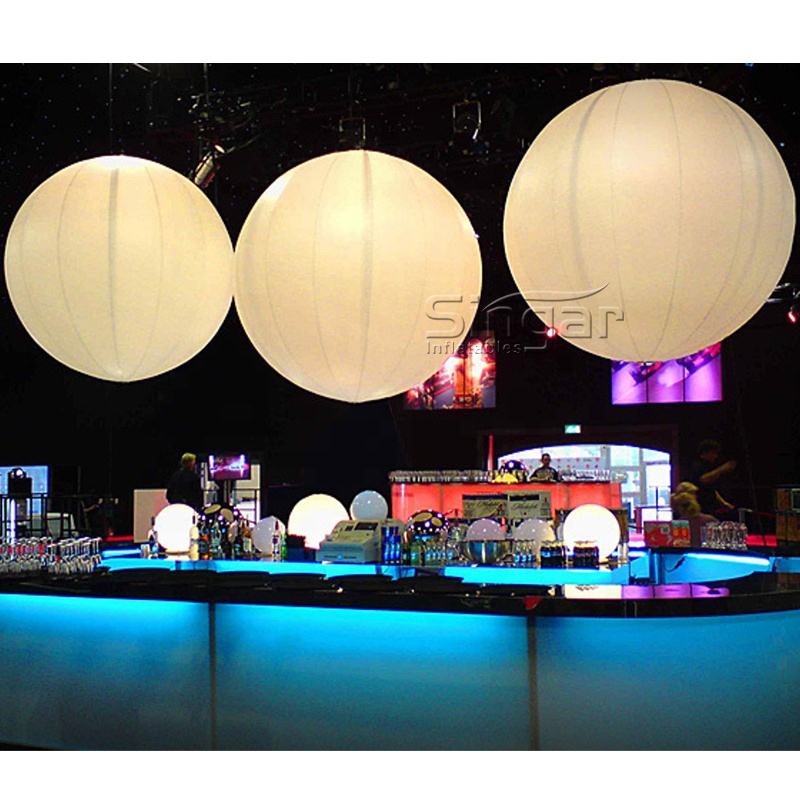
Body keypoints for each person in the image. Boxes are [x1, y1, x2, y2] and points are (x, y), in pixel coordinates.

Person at [688, 440, 736, 516]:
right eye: (713, 453)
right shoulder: (697, 465)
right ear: (705, 452)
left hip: (710, 507)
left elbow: (711, 489)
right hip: (699, 506)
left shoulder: (710, 466)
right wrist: (722, 469)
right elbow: (702, 479)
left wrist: (723, 503)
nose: (715, 456)